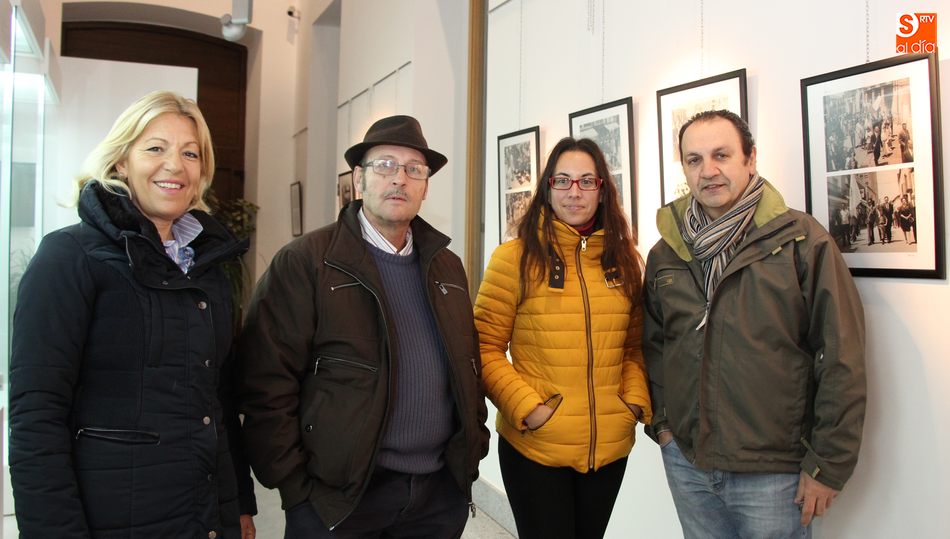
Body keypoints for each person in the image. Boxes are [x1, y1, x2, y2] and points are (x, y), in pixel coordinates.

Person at [9, 91, 257, 538]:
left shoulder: (210, 269)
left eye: (190, 153)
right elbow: (36, 419)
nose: (175, 165)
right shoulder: (68, 257)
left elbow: (215, 404)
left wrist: (236, 503)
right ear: (121, 161)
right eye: (155, 148)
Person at [237, 115, 490, 538]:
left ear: (425, 186)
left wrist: (471, 451)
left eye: (414, 170)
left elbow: (467, 366)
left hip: (435, 497)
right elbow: (266, 383)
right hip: (340, 500)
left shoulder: (447, 267)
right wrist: (297, 489)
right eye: (385, 165)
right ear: (358, 180)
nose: (400, 179)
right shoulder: (305, 262)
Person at [643, 110, 866, 538]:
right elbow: (655, 345)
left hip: (773, 472)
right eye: (694, 160)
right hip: (689, 464)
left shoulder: (801, 240)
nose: (709, 171)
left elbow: (842, 355)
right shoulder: (666, 252)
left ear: (750, 159)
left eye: (721, 155)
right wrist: (665, 426)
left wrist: (828, 465)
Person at [474, 137, 652, 539]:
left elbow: (634, 347)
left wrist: (632, 403)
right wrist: (530, 409)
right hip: (535, 448)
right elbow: (483, 348)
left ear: (602, 189)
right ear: (547, 188)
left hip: (609, 448)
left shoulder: (624, 261)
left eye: (587, 181)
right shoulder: (513, 259)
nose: (575, 192)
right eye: (564, 180)